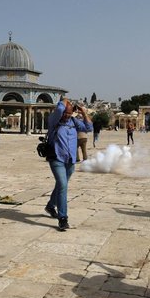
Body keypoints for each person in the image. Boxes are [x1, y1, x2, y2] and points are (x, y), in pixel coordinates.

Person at [44, 99, 93, 231]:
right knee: (63, 185)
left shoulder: (73, 122)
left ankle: (50, 206)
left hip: (70, 160)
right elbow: (60, 109)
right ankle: (63, 218)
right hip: (56, 158)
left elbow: (89, 128)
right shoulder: (54, 120)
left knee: (61, 184)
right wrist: (65, 100)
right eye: (66, 113)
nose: (66, 115)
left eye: (69, 113)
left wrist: (83, 112)